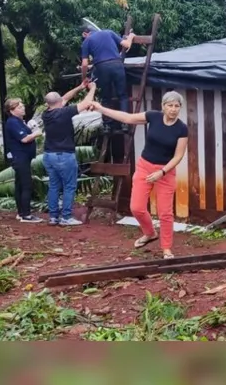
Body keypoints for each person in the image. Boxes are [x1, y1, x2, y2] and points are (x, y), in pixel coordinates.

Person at [89, 91, 188, 259]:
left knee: (165, 213)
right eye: (169, 105)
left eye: (176, 106)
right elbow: (127, 118)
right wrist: (100, 108)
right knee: (136, 207)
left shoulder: (181, 128)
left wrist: (162, 172)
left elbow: (178, 156)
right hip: (144, 166)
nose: (173, 109)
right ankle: (150, 233)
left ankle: (166, 248)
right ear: (163, 106)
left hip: (165, 171)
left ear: (180, 108)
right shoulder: (153, 117)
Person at [40, 80, 97, 226]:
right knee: (69, 186)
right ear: (58, 102)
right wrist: (92, 89)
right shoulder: (65, 112)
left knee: (54, 186)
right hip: (64, 155)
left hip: (49, 156)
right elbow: (86, 103)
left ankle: (53, 217)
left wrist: (80, 86)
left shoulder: (46, 114)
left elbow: (64, 98)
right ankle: (66, 217)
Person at [80, 23, 135, 133]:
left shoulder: (87, 41)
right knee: (123, 95)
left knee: (106, 97)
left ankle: (107, 126)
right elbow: (127, 44)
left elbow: (85, 64)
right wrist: (131, 36)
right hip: (117, 64)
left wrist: (84, 77)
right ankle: (124, 124)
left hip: (101, 68)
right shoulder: (109, 32)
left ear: (85, 33)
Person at [3, 98, 44, 223]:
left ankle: (21, 213)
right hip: (20, 157)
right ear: (12, 110)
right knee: (26, 185)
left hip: (24, 157)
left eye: (22, 106)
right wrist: (37, 133)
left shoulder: (19, 121)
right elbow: (24, 139)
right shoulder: (12, 122)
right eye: (19, 107)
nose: (23, 108)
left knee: (20, 184)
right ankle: (26, 214)